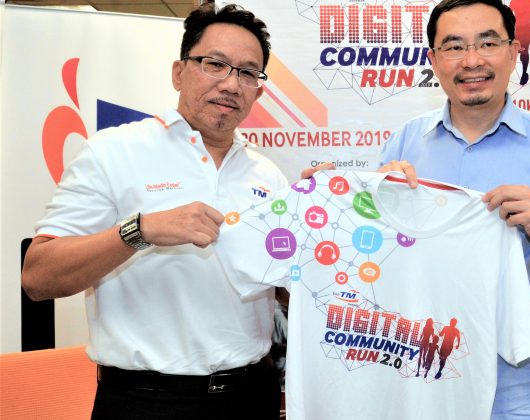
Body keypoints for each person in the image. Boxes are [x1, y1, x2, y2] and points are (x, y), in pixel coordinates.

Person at [20, 4, 328, 419]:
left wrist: (320, 218)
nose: (231, 84)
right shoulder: (114, 152)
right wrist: (140, 230)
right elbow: (38, 277)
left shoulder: (267, 174)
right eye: (215, 64)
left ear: (258, 90)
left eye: (248, 72)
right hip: (147, 401)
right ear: (179, 73)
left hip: (252, 394)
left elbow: (286, 292)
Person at [379, 0, 530, 417]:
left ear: (513, 53)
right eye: (454, 46)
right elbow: (375, 256)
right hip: (424, 372)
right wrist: (363, 199)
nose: (472, 61)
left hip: (522, 385)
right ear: (433, 60)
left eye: (488, 43)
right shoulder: (405, 144)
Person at [509, 0, 530, 85]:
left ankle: (523, 73)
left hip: (519, 29)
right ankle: (524, 73)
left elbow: (508, 15)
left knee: (521, 49)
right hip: (526, 28)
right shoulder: (529, 1)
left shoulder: (514, 1)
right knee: (524, 50)